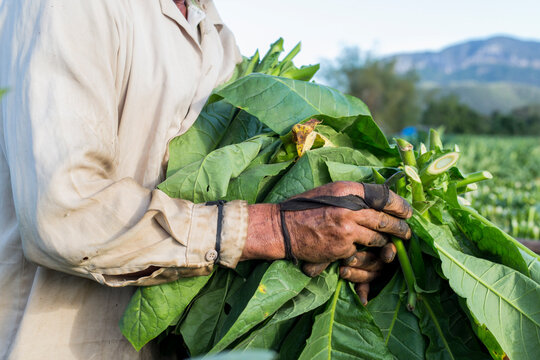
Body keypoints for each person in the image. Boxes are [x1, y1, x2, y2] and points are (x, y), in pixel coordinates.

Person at [0, 0, 412, 359]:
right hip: (46, 341)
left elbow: (238, 189)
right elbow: (65, 213)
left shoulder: (213, 35)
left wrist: (348, 235)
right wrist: (276, 228)